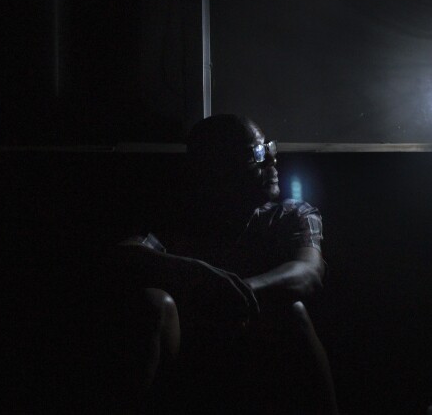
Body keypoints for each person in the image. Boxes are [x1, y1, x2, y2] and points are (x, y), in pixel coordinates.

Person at [109, 114, 338, 414]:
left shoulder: (290, 215)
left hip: (260, 347)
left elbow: (308, 270)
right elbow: (124, 256)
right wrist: (198, 274)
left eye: (270, 148)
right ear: (216, 166)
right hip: (190, 346)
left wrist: (237, 292)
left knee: (293, 312)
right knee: (152, 303)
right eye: (256, 153)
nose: (271, 162)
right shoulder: (179, 219)